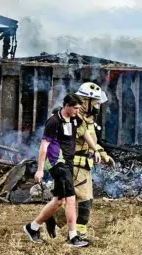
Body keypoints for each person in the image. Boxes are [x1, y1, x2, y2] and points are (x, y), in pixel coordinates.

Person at [23, 93, 102, 248]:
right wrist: (40, 170)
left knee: (59, 201)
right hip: (57, 163)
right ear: (67, 106)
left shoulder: (75, 118)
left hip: (68, 162)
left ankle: (32, 227)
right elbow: (43, 147)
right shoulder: (53, 122)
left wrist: (96, 150)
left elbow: (85, 133)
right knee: (71, 198)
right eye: (75, 108)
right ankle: (73, 237)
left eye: (79, 108)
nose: (78, 111)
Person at [46, 82, 116, 242]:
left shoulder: (88, 119)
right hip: (75, 165)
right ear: (86, 101)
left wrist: (104, 156)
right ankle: (75, 235)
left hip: (84, 166)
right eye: (96, 102)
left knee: (78, 201)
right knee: (84, 202)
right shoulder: (73, 119)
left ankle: (55, 219)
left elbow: (91, 142)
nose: (98, 106)